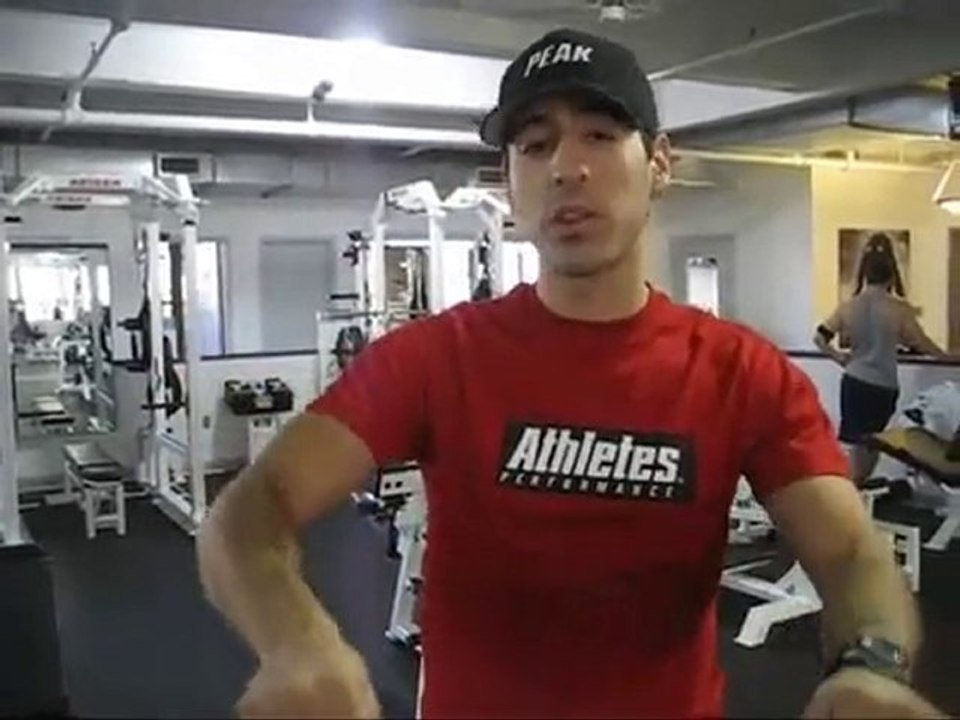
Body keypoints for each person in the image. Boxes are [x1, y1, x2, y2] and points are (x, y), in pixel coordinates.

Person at [197, 28, 946, 719]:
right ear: (509, 180)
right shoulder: (433, 357)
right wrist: (296, 643)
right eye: (535, 144)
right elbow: (253, 508)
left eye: (599, 134)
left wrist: (871, 665)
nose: (565, 167)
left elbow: (850, 553)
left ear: (659, 164)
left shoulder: (743, 372)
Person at [815, 246, 948, 488]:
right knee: (871, 446)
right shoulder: (898, 309)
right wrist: (946, 358)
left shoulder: (848, 306)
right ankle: (850, 494)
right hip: (882, 386)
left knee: (860, 446)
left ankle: (853, 491)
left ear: (866, 275)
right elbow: (921, 343)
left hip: (854, 381)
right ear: (890, 277)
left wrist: (838, 357)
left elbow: (819, 338)